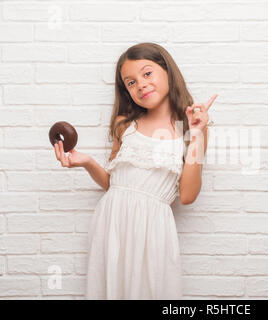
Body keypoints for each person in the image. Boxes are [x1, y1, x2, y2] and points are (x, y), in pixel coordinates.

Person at [52, 42, 218, 299]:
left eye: (147, 73)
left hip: (153, 228)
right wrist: (86, 162)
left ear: (167, 71)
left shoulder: (191, 126)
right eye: (130, 82)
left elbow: (187, 196)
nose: (140, 84)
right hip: (112, 222)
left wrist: (196, 136)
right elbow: (114, 183)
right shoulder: (124, 124)